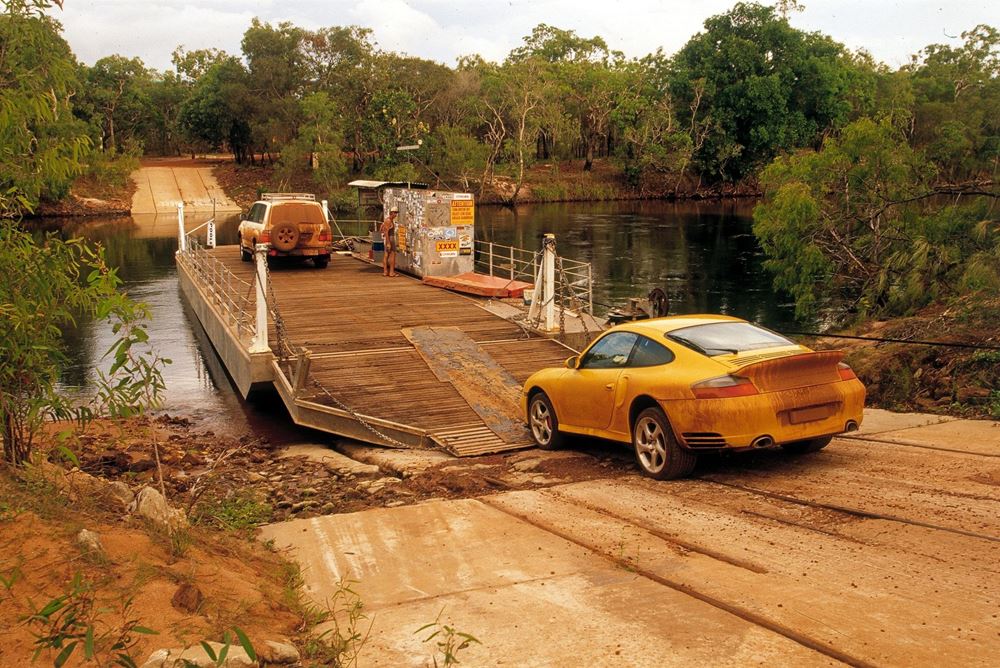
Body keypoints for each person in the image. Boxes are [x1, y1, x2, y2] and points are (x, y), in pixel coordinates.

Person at [380, 205, 399, 277]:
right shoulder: (388, 221)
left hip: (388, 239)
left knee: (386, 255)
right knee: (392, 255)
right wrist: (388, 243)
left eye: (396, 213)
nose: (396, 214)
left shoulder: (388, 220)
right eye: (395, 212)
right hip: (390, 239)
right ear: (391, 213)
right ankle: (391, 272)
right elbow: (386, 232)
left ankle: (385, 272)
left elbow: (381, 229)